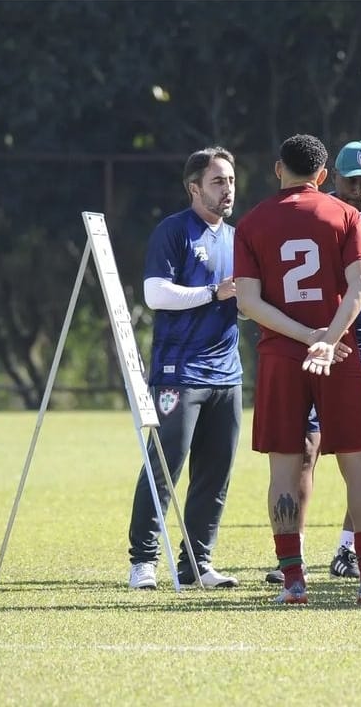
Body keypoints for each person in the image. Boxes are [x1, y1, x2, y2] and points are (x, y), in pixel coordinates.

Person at [234, 134, 361, 605]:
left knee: (284, 469)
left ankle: (293, 582)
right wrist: (328, 338)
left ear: (278, 169)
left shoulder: (253, 221)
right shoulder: (345, 215)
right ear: (324, 176)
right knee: (359, 470)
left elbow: (247, 301)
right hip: (339, 353)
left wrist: (305, 339)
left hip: (282, 358)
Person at [263, 140, 361, 585]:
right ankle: (294, 553)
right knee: (303, 449)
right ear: (332, 178)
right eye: (353, 181)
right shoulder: (319, 216)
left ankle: (349, 550)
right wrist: (327, 334)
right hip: (316, 350)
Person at [127, 146, 242, 591]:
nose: (227, 189)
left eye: (231, 180)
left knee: (215, 472)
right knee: (165, 465)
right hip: (180, 372)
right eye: (218, 181)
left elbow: (242, 298)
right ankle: (143, 561)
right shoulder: (173, 231)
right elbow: (156, 294)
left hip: (227, 374)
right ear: (194, 188)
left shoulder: (237, 237)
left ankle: (198, 563)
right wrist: (215, 293)